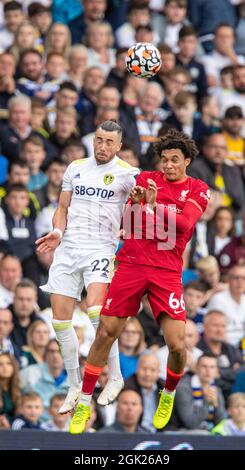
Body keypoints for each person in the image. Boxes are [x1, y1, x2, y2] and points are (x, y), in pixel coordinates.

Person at [69, 128, 210, 434]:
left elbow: (184, 224)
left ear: (186, 161)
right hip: (132, 264)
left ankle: (168, 393)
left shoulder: (198, 189)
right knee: (106, 333)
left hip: (167, 271)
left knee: (176, 344)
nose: (168, 165)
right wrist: (135, 204)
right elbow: (130, 220)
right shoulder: (146, 179)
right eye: (164, 160)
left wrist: (153, 206)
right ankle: (83, 401)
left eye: (174, 160)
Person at [35, 120, 139, 415]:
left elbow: (142, 208)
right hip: (68, 247)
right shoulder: (75, 167)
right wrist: (57, 232)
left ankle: (115, 376)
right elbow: (63, 208)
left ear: (119, 146)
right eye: (99, 140)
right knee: (59, 322)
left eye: (109, 142)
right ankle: (73, 384)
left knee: (96, 311)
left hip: (100, 248)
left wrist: (129, 227)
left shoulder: (129, 175)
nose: (103, 146)